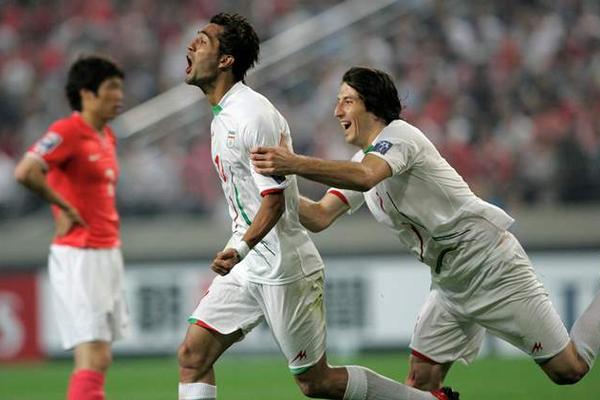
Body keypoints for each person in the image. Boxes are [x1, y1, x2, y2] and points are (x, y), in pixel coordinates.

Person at [250, 66, 600, 391]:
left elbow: (368, 176)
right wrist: (273, 187)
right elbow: (319, 216)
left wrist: (293, 163)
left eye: (347, 101)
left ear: (372, 106)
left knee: (568, 370)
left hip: (489, 264)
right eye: (337, 102)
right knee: (419, 386)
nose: (337, 111)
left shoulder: (399, 137)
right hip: (449, 282)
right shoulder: (361, 161)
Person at [177, 13, 458, 400]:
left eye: (203, 41)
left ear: (226, 60)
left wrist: (240, 248)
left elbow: (272, 204)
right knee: (193, 355)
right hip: (250, 264)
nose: (191, 46)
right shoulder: (223, 115)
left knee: (316, 382)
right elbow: (288, 202)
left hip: (282, 267)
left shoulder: (251, 116)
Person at [14, 55, 127, 400]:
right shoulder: (66, 131)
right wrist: (61, 205)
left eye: (120, 87)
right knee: (91, 355)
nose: (119, 96)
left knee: (101, 356)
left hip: (107, 251)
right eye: (111, 88)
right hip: (81, 254)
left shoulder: (106, 135)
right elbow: (25, 171)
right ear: (86, 94)